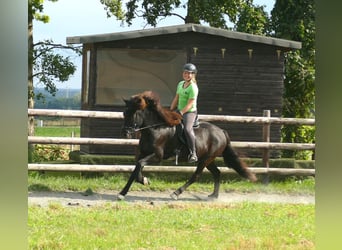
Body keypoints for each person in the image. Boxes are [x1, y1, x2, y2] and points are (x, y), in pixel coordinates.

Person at [170, 63, 199, 163]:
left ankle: (193, 153)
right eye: (185, 73)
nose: (187, 75)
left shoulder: (193, 88)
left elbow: (190, 104)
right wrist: (171, 110)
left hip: (189, 112)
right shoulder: (180, 84)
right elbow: (176, 98)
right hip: (179, 110)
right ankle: (175, 150)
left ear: (193, 75)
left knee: (187, 129)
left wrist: (181, 112)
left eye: (189, 73)